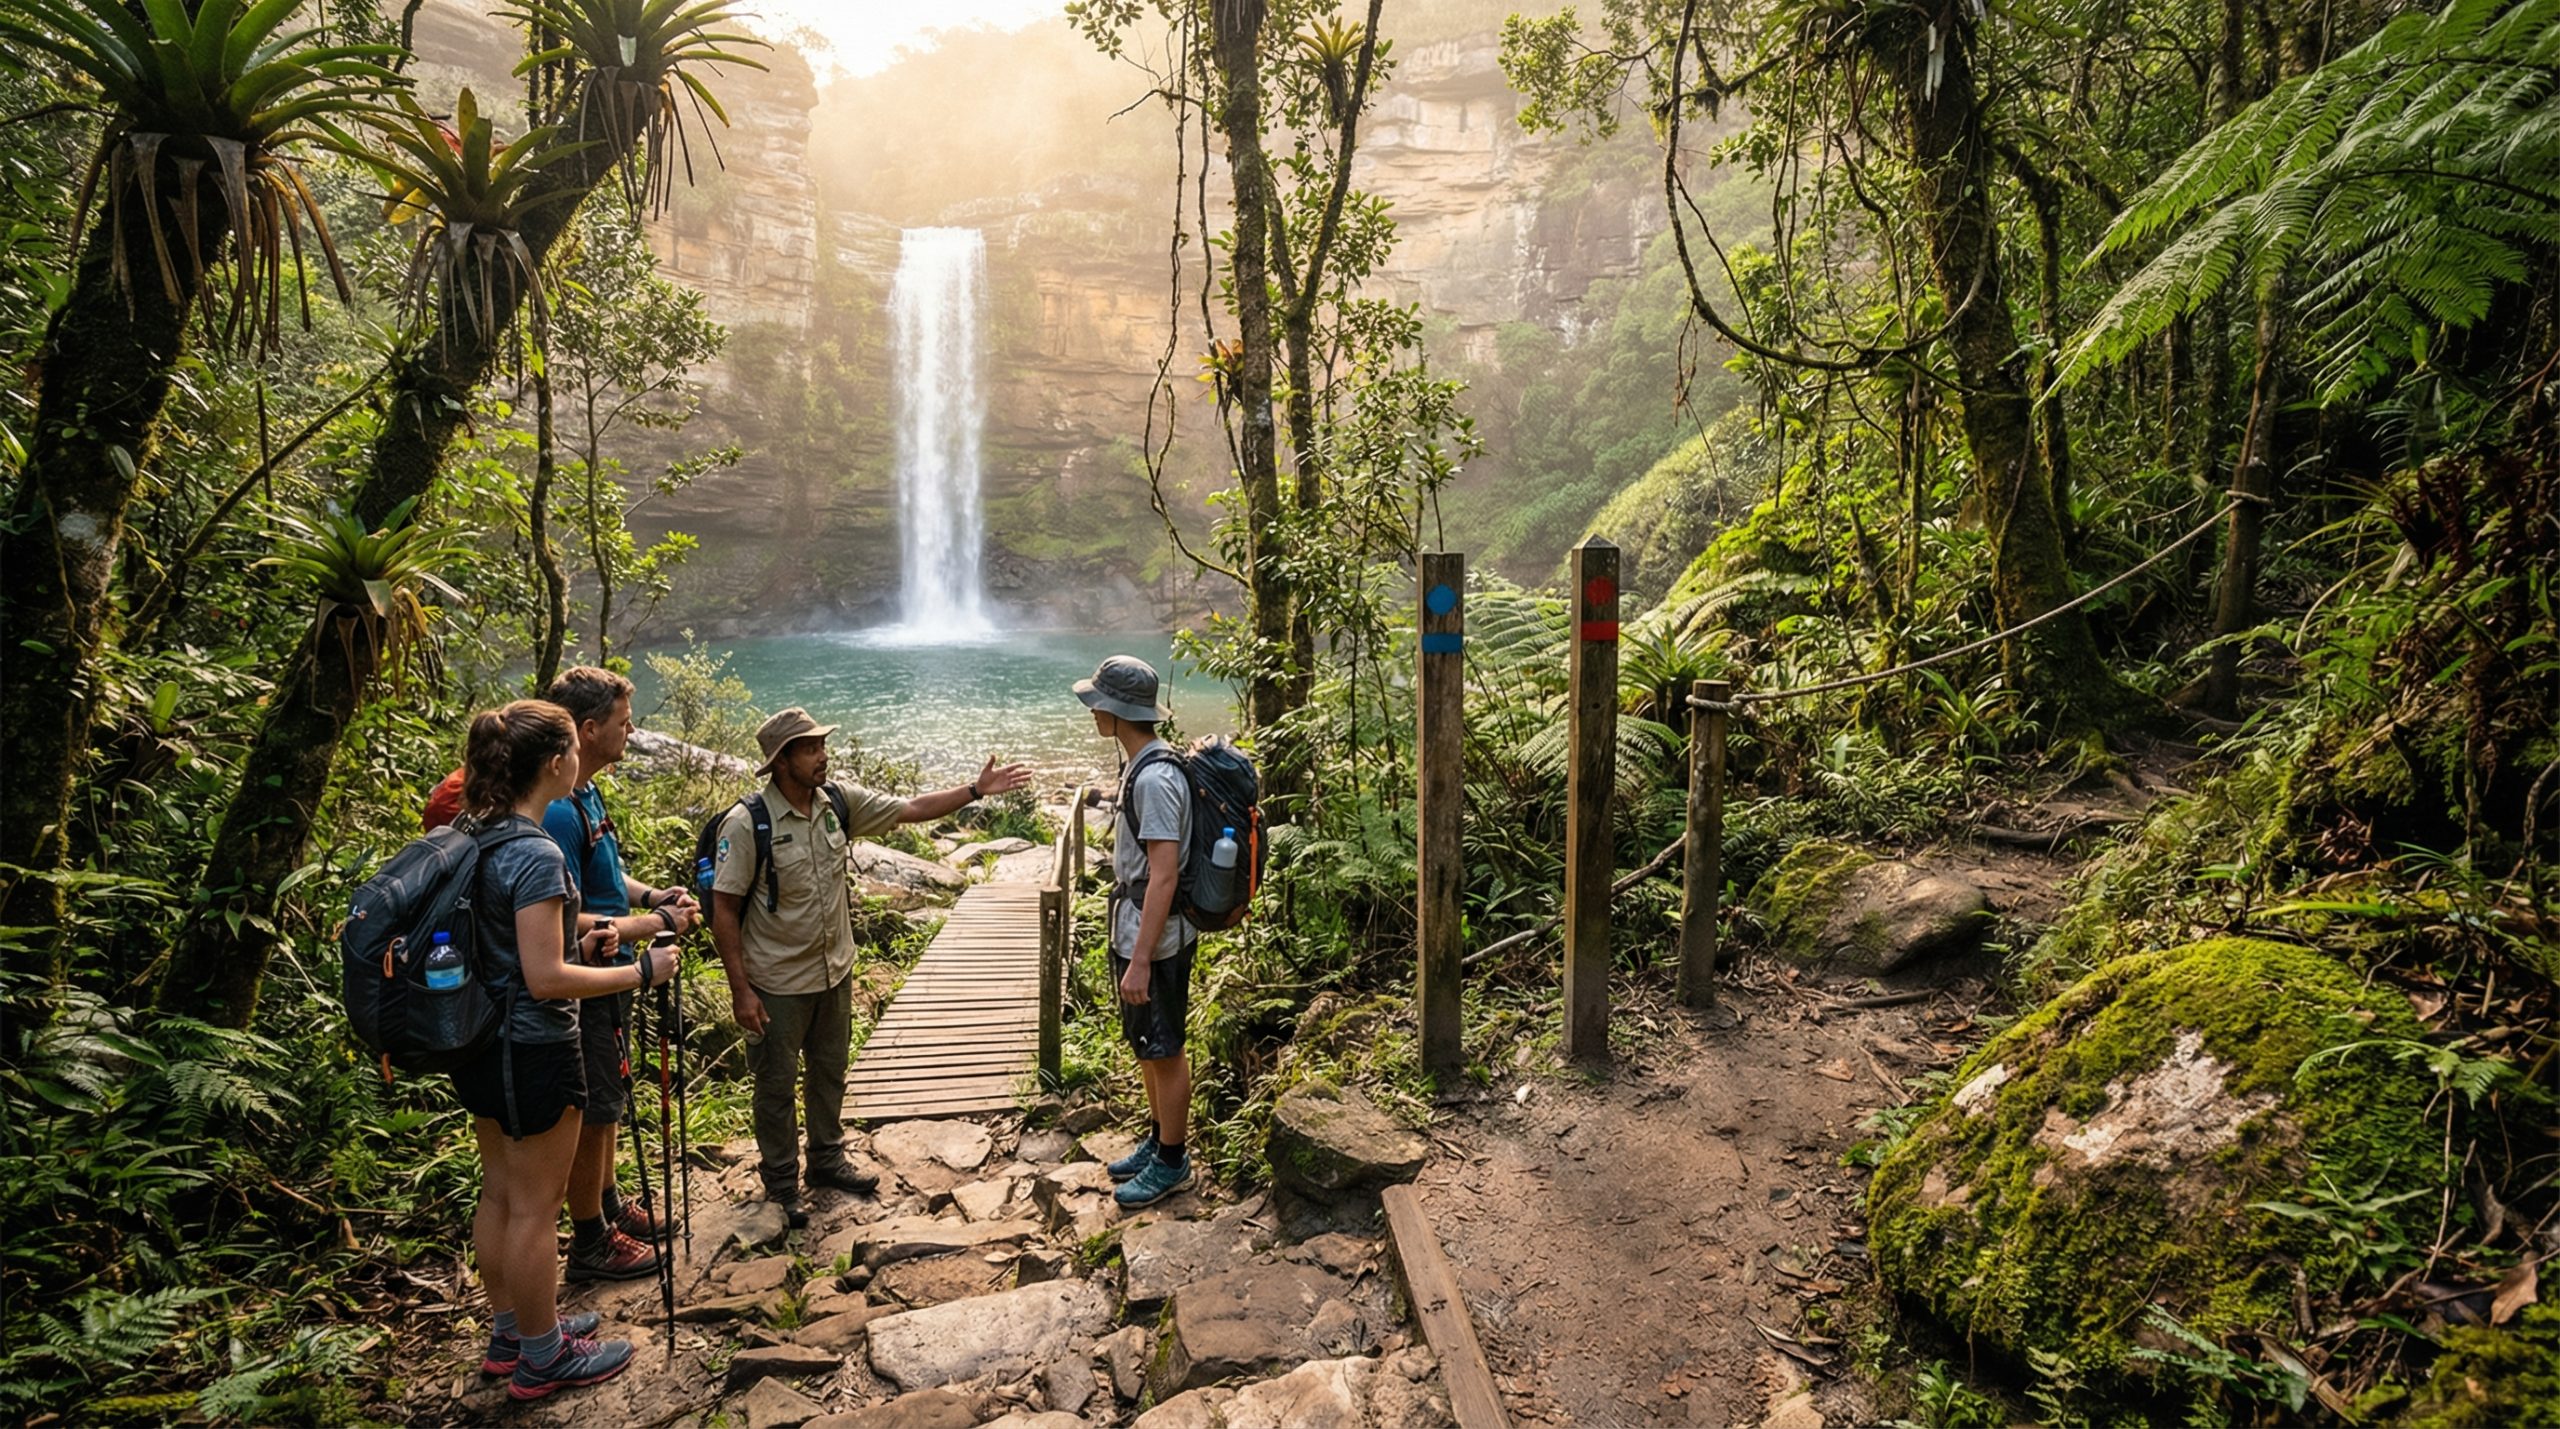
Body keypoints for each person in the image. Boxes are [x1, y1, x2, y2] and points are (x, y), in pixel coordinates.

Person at [707, 708, 1032, 1226]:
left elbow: (913, 807)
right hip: (776, 982)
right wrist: (741, 991)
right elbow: (724, 909)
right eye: (810, 748)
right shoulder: (748, 824)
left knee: (830, 1070)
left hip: (834, 971)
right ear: (782, 761)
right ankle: (781, 1181)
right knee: (775, 1083)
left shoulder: (836, 802)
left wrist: (975, 789)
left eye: (821, 745)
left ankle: (827, 1159)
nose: (823, 755)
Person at [449, 700, 676, 1401]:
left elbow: (514, 951)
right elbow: (546, 979)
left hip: (477, 1038)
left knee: (501, 1191)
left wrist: (584, 942)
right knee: (537, 1206)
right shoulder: (534, 849)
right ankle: (545, 1356)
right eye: (571, 748)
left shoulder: (470, 832)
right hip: (534, 1046)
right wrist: (641, 968)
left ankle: (513, 1331)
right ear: (556, 761)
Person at [538, 667, 703, 1283]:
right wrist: (652, 924)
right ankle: (590, 1240)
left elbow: (605, 874)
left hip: (611, 971)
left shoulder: (585, 792)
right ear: (587, 729)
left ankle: (607, 1205)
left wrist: (650, 893)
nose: (631, 733)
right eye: (623, 724)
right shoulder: (555, 810)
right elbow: (559, 912)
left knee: (611, 1098)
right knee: (595, 1106)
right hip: (588, 973)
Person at [1077, 656, 1197, 1208]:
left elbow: (1165, 872)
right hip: (1136, 931)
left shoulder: (1155, 777)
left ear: (1117, 713)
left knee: (1165, 1047)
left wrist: (1143, 958)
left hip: (1156, 940)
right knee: (1147, 1042)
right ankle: (1157, 1140)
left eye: (1099, 703)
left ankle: (1174, 1162)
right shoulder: (1140, 766)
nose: (1093, 711)